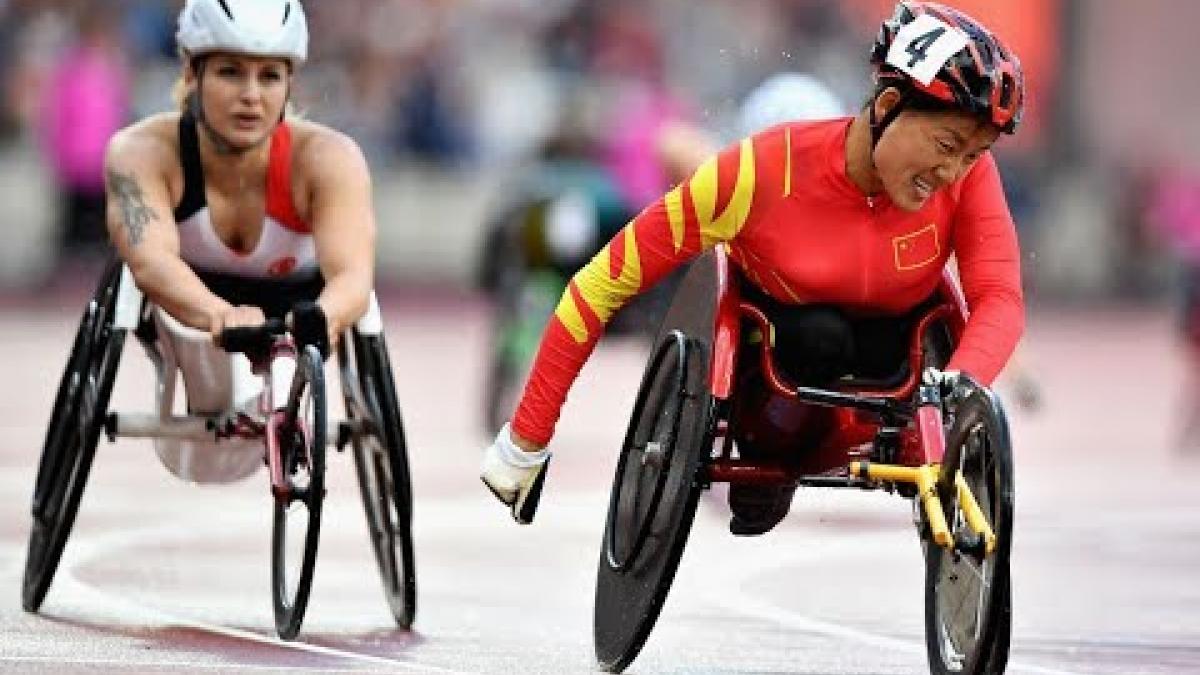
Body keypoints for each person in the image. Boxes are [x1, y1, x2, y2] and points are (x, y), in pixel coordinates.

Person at [481, 0, 1026, 533]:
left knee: (905, 335)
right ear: (886, 105)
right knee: (820, 336)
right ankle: (774, 464)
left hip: (899, 370)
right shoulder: (757, 172)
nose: (954, 171)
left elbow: (1000, 297)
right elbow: (601, 283)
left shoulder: (972, 181)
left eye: (972, 154)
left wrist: (960, 383)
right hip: (780, 369)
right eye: (948, 144)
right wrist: (526, 439)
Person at [103, 0, 376, 483]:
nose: (251, 96)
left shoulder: (329, 159)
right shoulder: (140, 152)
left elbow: (354, 277)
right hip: (184, 309)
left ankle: (278, 404)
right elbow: (149, 262)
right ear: (192, 71)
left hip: (295, 303)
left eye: (269, 76)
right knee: (206, 407)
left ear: (290, 82)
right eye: (230, 73)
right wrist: (217, 315)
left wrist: (323, 319)